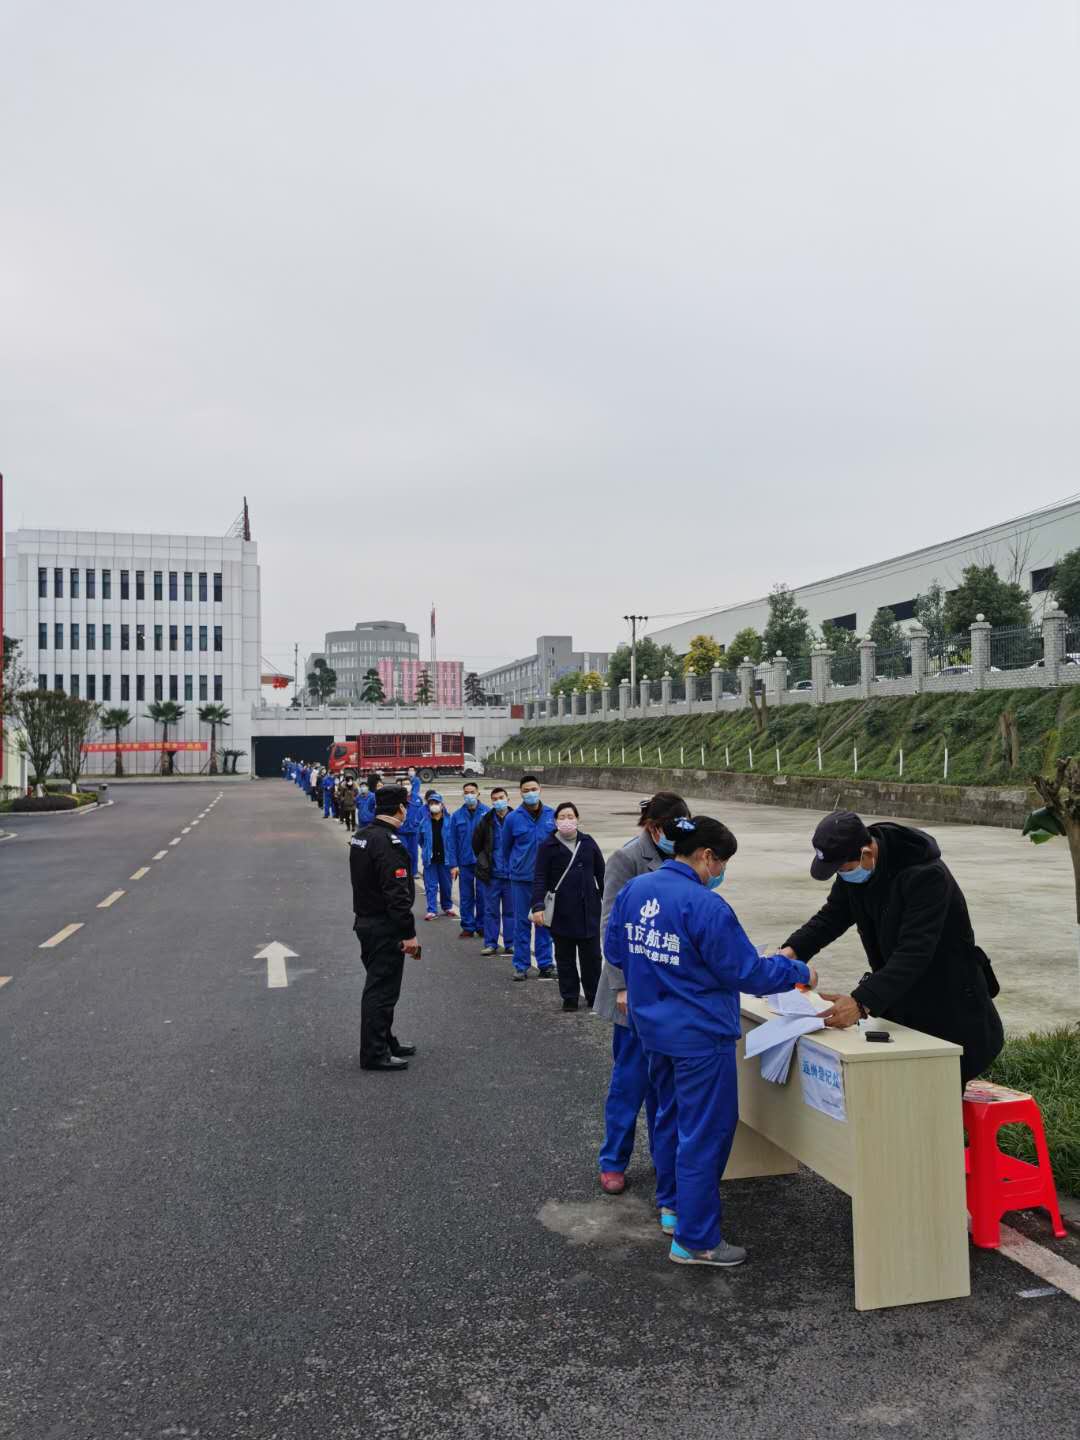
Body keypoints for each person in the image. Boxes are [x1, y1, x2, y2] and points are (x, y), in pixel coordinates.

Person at [605, 815, 816, 1267]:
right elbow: (747, 972)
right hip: (700, 1037)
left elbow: (615, 952)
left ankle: (673, 1207)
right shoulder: (706, 905)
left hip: (652, 1031)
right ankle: (696, 1239)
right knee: (704, 1133)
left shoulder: (635, 891)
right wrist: (799, 971)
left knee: (668, 1119)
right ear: (706, 856)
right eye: (721, 863)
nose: (720, 873)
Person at [779, 811, 1004, 1084]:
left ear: (866, 853)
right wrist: (791, 952)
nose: (842, 875)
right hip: (901, 997)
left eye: (843, 869)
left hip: (950, 1004)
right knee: (898, 1087)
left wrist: (860, 1002)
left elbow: (914, 952)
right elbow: (831, 917)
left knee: (935, 1090)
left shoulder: (925, 876)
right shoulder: (855, 870)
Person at [594, 791, 691, 1194]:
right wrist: (621, 985)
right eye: (672, 828)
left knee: (665, 1085)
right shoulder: (627, 859)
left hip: (669, 989)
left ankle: (661, 1156)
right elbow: (610, 925)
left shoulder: (685, 852)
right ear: (653, 828)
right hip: (633, 990)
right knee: (630, 1081)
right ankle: (613, 1160)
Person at [349, 784, 421, 1072]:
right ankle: (374, 1053)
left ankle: (385, 1041)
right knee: (382, 991)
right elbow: (396, 894)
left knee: (380, 987)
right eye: (406, 806)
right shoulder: (388, 843)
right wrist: (409, 933)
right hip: (384, 926)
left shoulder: (363, 836)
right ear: (401, 808)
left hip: (366, 921)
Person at [530, 802, 606, 1010]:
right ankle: (570, 997)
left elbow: (602, 874)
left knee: (592, 958)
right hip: (561, 911)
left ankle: (594, 995)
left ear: (577, 819)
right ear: (555, 821)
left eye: (570, 816)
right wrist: (538, 905)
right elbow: (539, 878)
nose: (566, 821)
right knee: (565, 957)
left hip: (588, 910)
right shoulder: (547, 846)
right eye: (562, 817)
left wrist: (610, 901)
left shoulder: (588, 842)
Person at [502, 775, 557, 981]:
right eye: (526, 790)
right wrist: (516, 866)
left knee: (543, 922)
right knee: (521, 923)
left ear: (540, 789)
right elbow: (506, 848)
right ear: (520, 793)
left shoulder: (552, 815)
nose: (530, 793)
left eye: (533, 789)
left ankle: (545, 964)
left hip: (546, 880)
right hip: (521, 879)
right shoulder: (512, 818)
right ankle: (521, 965)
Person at [473, 786, 515, 956]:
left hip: (512, 875)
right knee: (491, 911)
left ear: (508, 799)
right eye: (495, 799)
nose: (498, 801)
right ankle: (491, 943)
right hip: (492, 875)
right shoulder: (486, 820)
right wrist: (484, 862)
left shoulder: (516, 819)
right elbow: (476, 844)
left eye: (501, 798)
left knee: (511, 912)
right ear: (491, 801)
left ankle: (511, 943)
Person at [449, 781, 488, 939]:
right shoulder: (457, 816)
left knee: (483, 895)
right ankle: (468, 926)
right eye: (466, 792)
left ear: (478, 793)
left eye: (472, 792)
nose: (469, 795)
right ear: (463, 795)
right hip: (464, 862)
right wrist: (453, 864)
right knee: (466, 896)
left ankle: (482, 926)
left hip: (483, 862)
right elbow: (451, 841)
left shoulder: (487, 813)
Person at [419, 793, 458, 921]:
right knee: (431, 886)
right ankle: (432, 910)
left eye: (436, 803)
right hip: (430, 860)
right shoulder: (424, 822)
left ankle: (447, 906)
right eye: (431, 803)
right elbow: (420, 840)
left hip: (446, 859)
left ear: (442, 805)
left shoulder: (450, 821)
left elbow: (455, 841)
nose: (434, 805)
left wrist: (455, 862)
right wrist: (426, 850)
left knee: (446, 885)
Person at [399, 771, 424, 875]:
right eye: (404, 784)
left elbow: (422, 813)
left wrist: (418, 825)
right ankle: (403, 872)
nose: (406, 786)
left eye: (408, 784)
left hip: (414, 831)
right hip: (401, 831)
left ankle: (414, 872)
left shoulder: (417, 798)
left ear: (411, 785)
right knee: (402, 852)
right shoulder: (397, 798)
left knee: (414, 852)